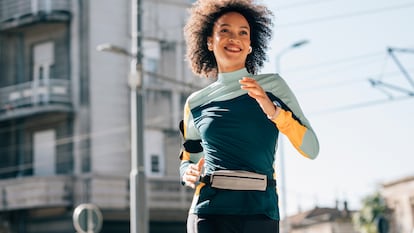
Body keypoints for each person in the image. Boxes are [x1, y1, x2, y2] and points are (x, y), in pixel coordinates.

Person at [178, 0, 320, 232]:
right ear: (209, 42)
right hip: (207, 211)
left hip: (260, 211)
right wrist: (188, 173)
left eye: (243, 33)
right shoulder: (195, 103)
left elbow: (312, 149)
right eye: (225, 31)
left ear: (250, 45)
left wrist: (273, 111)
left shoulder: (273, 86)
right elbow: (190, 158)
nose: (235, 38)